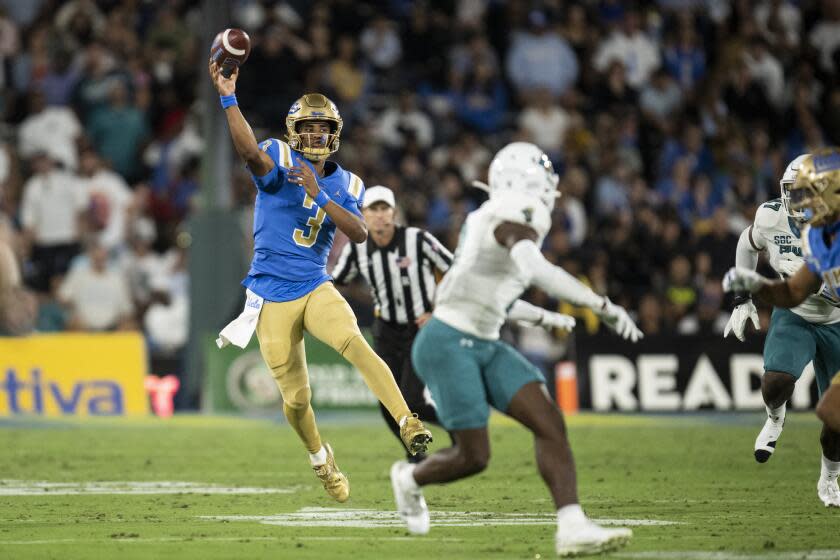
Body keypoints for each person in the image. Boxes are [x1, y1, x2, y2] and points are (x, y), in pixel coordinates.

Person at [390, 142, 643, 556]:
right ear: (531, 181)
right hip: (449, 342)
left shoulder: (486, 216)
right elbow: (535, 269)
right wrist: (601, 305)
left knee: (549, 422)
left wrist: (546, 318)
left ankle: (571, 526)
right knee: (474, 457)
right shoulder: (515, 214)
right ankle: (409, 479)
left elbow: (494, 291)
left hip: (485, 340)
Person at [209, 60, 432, 504]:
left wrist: (318, 192)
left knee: (354, 341)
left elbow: (360, 232)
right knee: (296, 400)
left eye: (321, 128)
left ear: (333, 133)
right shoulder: (278, 153)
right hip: (271, 294)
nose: (313, 135)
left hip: (314, 285)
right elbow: (249, 154)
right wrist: (228, 97)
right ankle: (320, 458)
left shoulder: (348, 181)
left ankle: (408, 422)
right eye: (307, 128)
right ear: (295, 131)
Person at [332, 185, 576, 462]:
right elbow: (335, 283)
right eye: (372, 209)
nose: (378, 215)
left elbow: (454, 271)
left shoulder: (418, 240)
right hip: (385, 331)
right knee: (388, 403)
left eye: (383, 208)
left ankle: (459, 432)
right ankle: (415, 454)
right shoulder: (357, 250)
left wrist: (437, 310)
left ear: (394, 212)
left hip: (419, 328)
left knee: (412, 400)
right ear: (363, 214)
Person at [723, 148, 840, 508]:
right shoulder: (772, 216)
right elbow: (748, 242)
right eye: (794, 190)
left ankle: (831, 476)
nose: (796, 199)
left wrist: (824, 284)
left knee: (836, 423)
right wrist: (743, 297)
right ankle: (776, 417)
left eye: (806, 191)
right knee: (775, 382)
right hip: (796, 312)